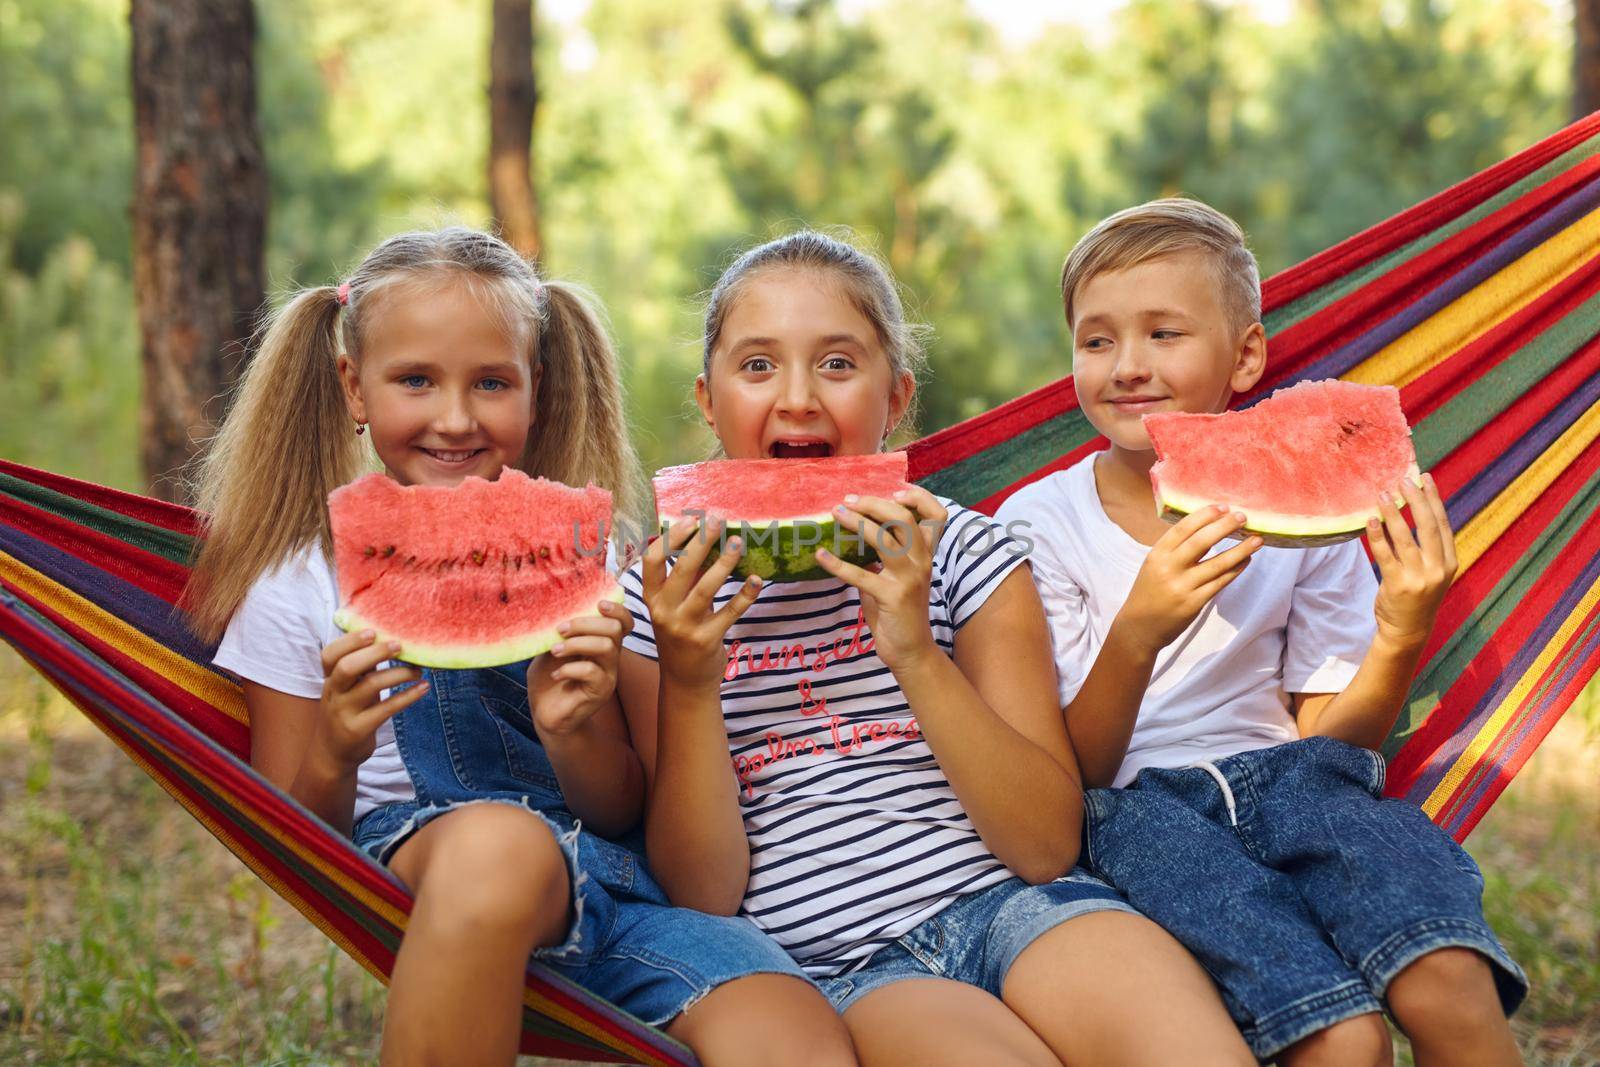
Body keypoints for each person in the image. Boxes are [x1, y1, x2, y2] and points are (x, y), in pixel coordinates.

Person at [186, 227, 854, 1067]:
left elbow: (618, 808)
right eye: (416, 380)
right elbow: (292, 837)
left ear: (537, 389)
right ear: (355, 386)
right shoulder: (299, 580)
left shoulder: (589, 557)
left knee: (795, 1034)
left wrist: (572, 730)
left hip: (612, 880)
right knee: (499, 842)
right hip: (437, 861)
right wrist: (336, 746)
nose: (456, 417)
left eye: (492, 382)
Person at [618, 230, 1255, 1067]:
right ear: (708, 397)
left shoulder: (968, 554)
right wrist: (692, 681)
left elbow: (1043, 840)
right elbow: (703, 891)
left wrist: (915, 649)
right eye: (759, 365)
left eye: (839, 363)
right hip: (861, 970)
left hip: (1030, 906)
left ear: (897, 397)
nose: (800, 397)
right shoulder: (662, 596)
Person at [996, 198, 1527, 1066]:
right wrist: (1138, 631)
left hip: (1298, 783)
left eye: (1164, 333)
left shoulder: (1304, 508)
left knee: (1449, 980)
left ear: (1246, 356)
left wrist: (1401, 631)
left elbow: (1329, 739)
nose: (1127, 365)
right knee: (1341, 1038)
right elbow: (1065, 782)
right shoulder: (1039, 522)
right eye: (1097, 341)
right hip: (1133, 809)